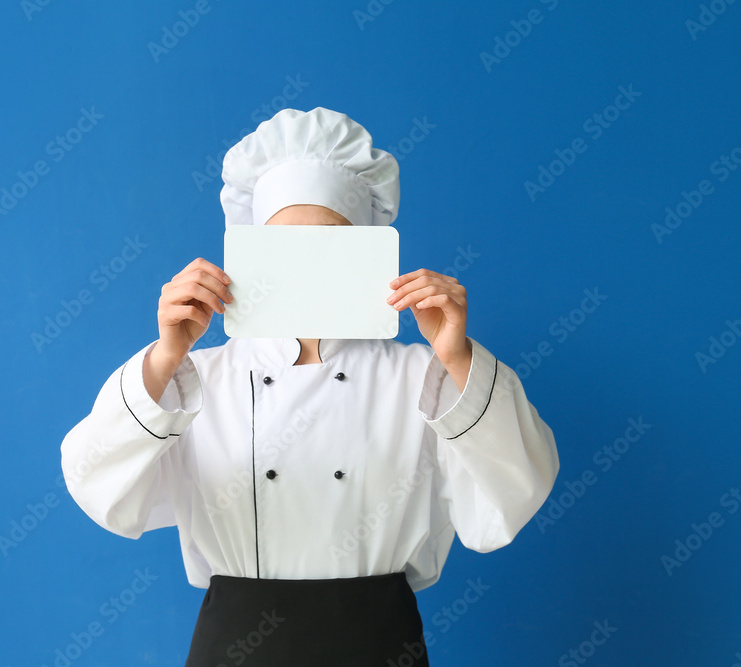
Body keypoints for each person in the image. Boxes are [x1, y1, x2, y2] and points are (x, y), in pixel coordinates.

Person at [60, 106, 559, 666]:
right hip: (236, 645)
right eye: (282, 245)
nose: (305, 263)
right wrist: (167, 353)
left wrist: (458, 355)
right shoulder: (197, 378)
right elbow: (95, 482)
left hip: (377, 642)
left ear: (365, 250)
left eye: (328, 242)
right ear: (250, 251)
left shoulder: (424, 375)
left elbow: (518, 489)